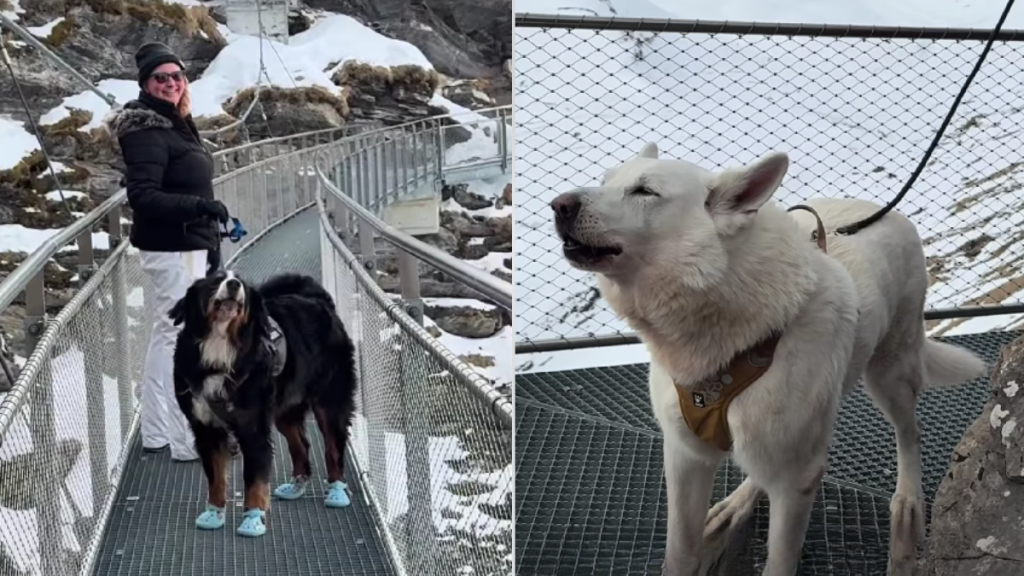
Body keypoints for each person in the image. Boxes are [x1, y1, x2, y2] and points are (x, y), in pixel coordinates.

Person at [106, 42, 232, 462]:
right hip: (173, 247)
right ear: (145, 83)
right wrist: (200, 208)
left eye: (176, 76)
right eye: (161, 77)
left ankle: (157, 432)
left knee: (167, 336)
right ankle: (186, 440)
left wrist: (208, 236)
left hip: (186, 244)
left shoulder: (174, 123)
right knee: (181, 339)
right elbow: (142, 195)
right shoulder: (146, 130)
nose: (171, 83)